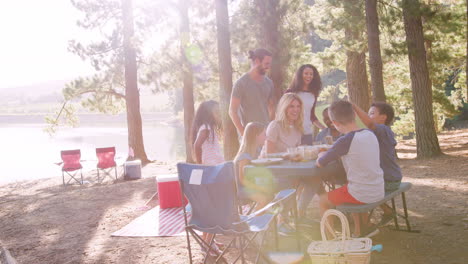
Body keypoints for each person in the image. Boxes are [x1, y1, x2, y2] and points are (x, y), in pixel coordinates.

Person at [317, 100, 384, 237]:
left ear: (335, 123)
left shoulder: (345, 140)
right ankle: (361, 231)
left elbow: (320, 163)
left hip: (361, 193)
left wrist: (321, 153)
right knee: (351, 185)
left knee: (323, 201)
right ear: (354, 114)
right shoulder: (369, 134)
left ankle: (329, 238)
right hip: (378, 188)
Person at [265, 93, 322, 223]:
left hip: (291, 170)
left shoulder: (298, 128)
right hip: (273, 171)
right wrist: (289, 155)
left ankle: (299, 214)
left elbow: (297, 152)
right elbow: (268, 155)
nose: (295, 110)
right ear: (284, 108)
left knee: (315, 179)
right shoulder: (275, 126)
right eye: (291, 106)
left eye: (298, 106)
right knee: (292, 182)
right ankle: (282, 220)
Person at [352, 102, 403, 226]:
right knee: (359, 184)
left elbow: (369, 123)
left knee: (358, 189)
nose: (369, 116)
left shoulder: (384, 130)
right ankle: (386, 211)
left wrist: (353, 105)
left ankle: (364, 226)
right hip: (387, 178)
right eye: (368, 113)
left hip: (389, 180)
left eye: (372, 113)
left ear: (383, 117)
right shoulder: (372, 134)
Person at [191, 100, 225, 255]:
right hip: (210, 173)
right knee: (214, 209)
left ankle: (209, 239)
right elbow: (197, 146)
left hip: (215, 172)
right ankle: (206, 244)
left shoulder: (209, 128)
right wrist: (200, 165)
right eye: (216, 111)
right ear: (209, 113)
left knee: (213, 207)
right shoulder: (205, 128)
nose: (219, 114)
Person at [229, 48, 275, 137]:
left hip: (266, 134)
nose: (268, 67)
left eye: (269, 64)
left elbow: (271, 107)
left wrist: (270, 127)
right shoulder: (241, 83)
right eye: (266, 63)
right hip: (250, 135)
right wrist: (243, 133)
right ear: (257, 61)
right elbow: (232, 111)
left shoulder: (269, 83)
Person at [234, 122, 272, 209]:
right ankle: (252, 222)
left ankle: (267, 220)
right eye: (264, 135)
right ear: (256, 136)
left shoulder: (257, 151)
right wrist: (259, 188)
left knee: (272, 193)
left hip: (253, 185)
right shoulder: (244, 156)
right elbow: (242, 179)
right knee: (264, 199)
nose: (266, 138)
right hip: (244, 189)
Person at [286, 64, 326, 145]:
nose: (309, 76)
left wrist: (325, 129)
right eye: (306, 73)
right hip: (292, 133)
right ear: (300, 75)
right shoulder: (290, 92)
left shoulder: (313, 94)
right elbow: (283, 112)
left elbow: (312, 116)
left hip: (307, 133)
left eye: (311, 74)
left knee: (308, 157)